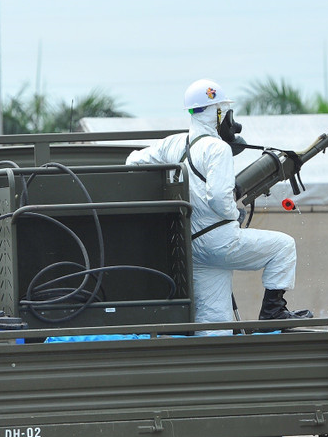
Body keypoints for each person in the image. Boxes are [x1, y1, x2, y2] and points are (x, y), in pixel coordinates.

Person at [125, 78, 312, 334]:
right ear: (218, 113)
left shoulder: (174, 143)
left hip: (191, 243)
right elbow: (218, 198)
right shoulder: (217, 149)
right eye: (227, 113)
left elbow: (133, 161)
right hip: (219, 241)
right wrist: (235, 213)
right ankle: (273, 312)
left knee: (214, 321)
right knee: (283, 247)